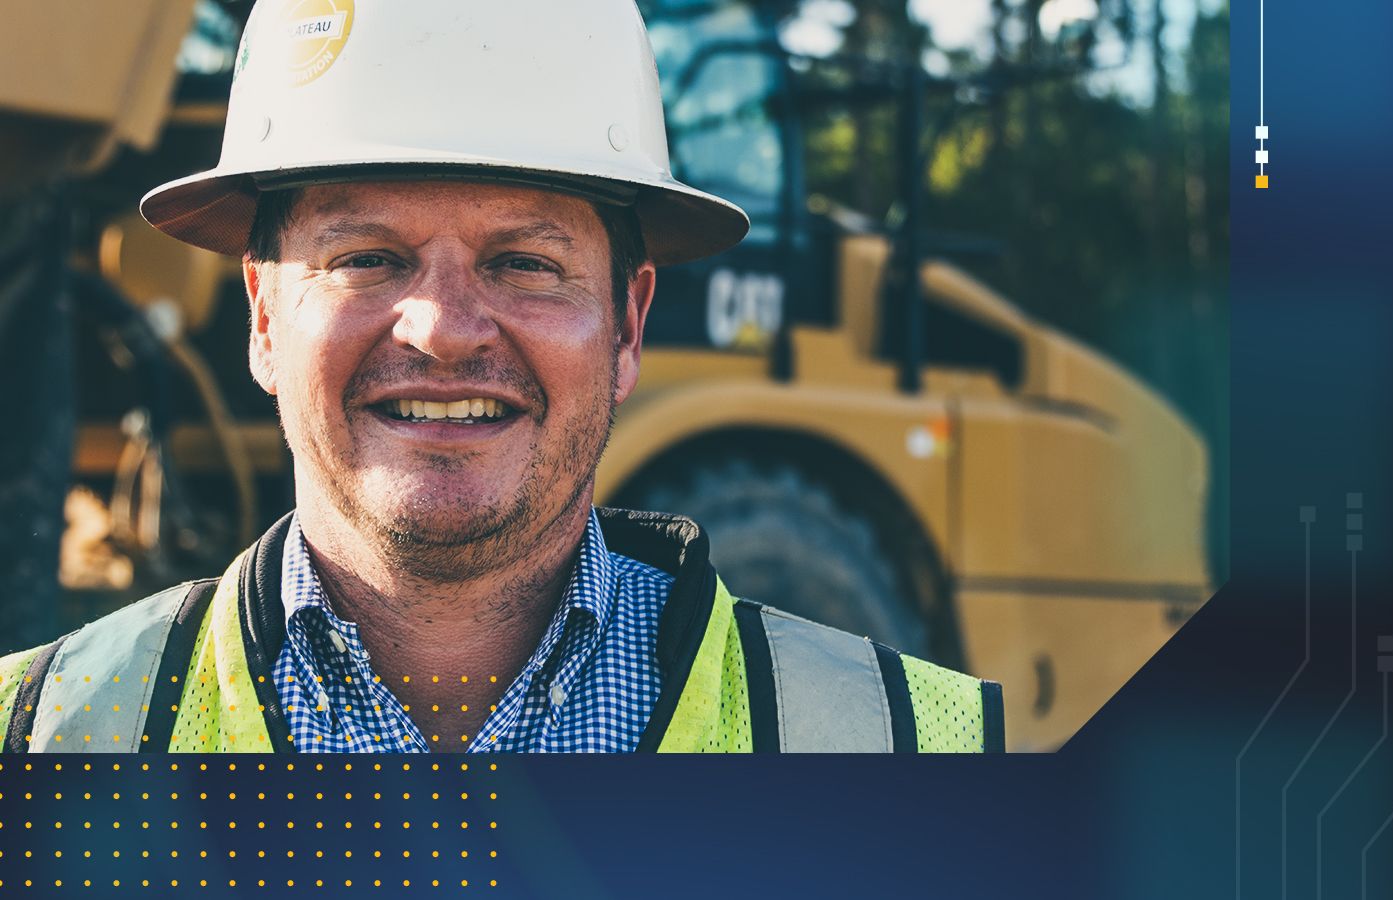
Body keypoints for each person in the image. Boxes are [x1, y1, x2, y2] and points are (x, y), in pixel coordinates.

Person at [0, 0, 1001, 753]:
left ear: (628, 322)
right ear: (264, 316)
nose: (440, 331)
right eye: (367, 258)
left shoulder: (921, 752)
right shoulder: (36, 738)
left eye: (523, 262)